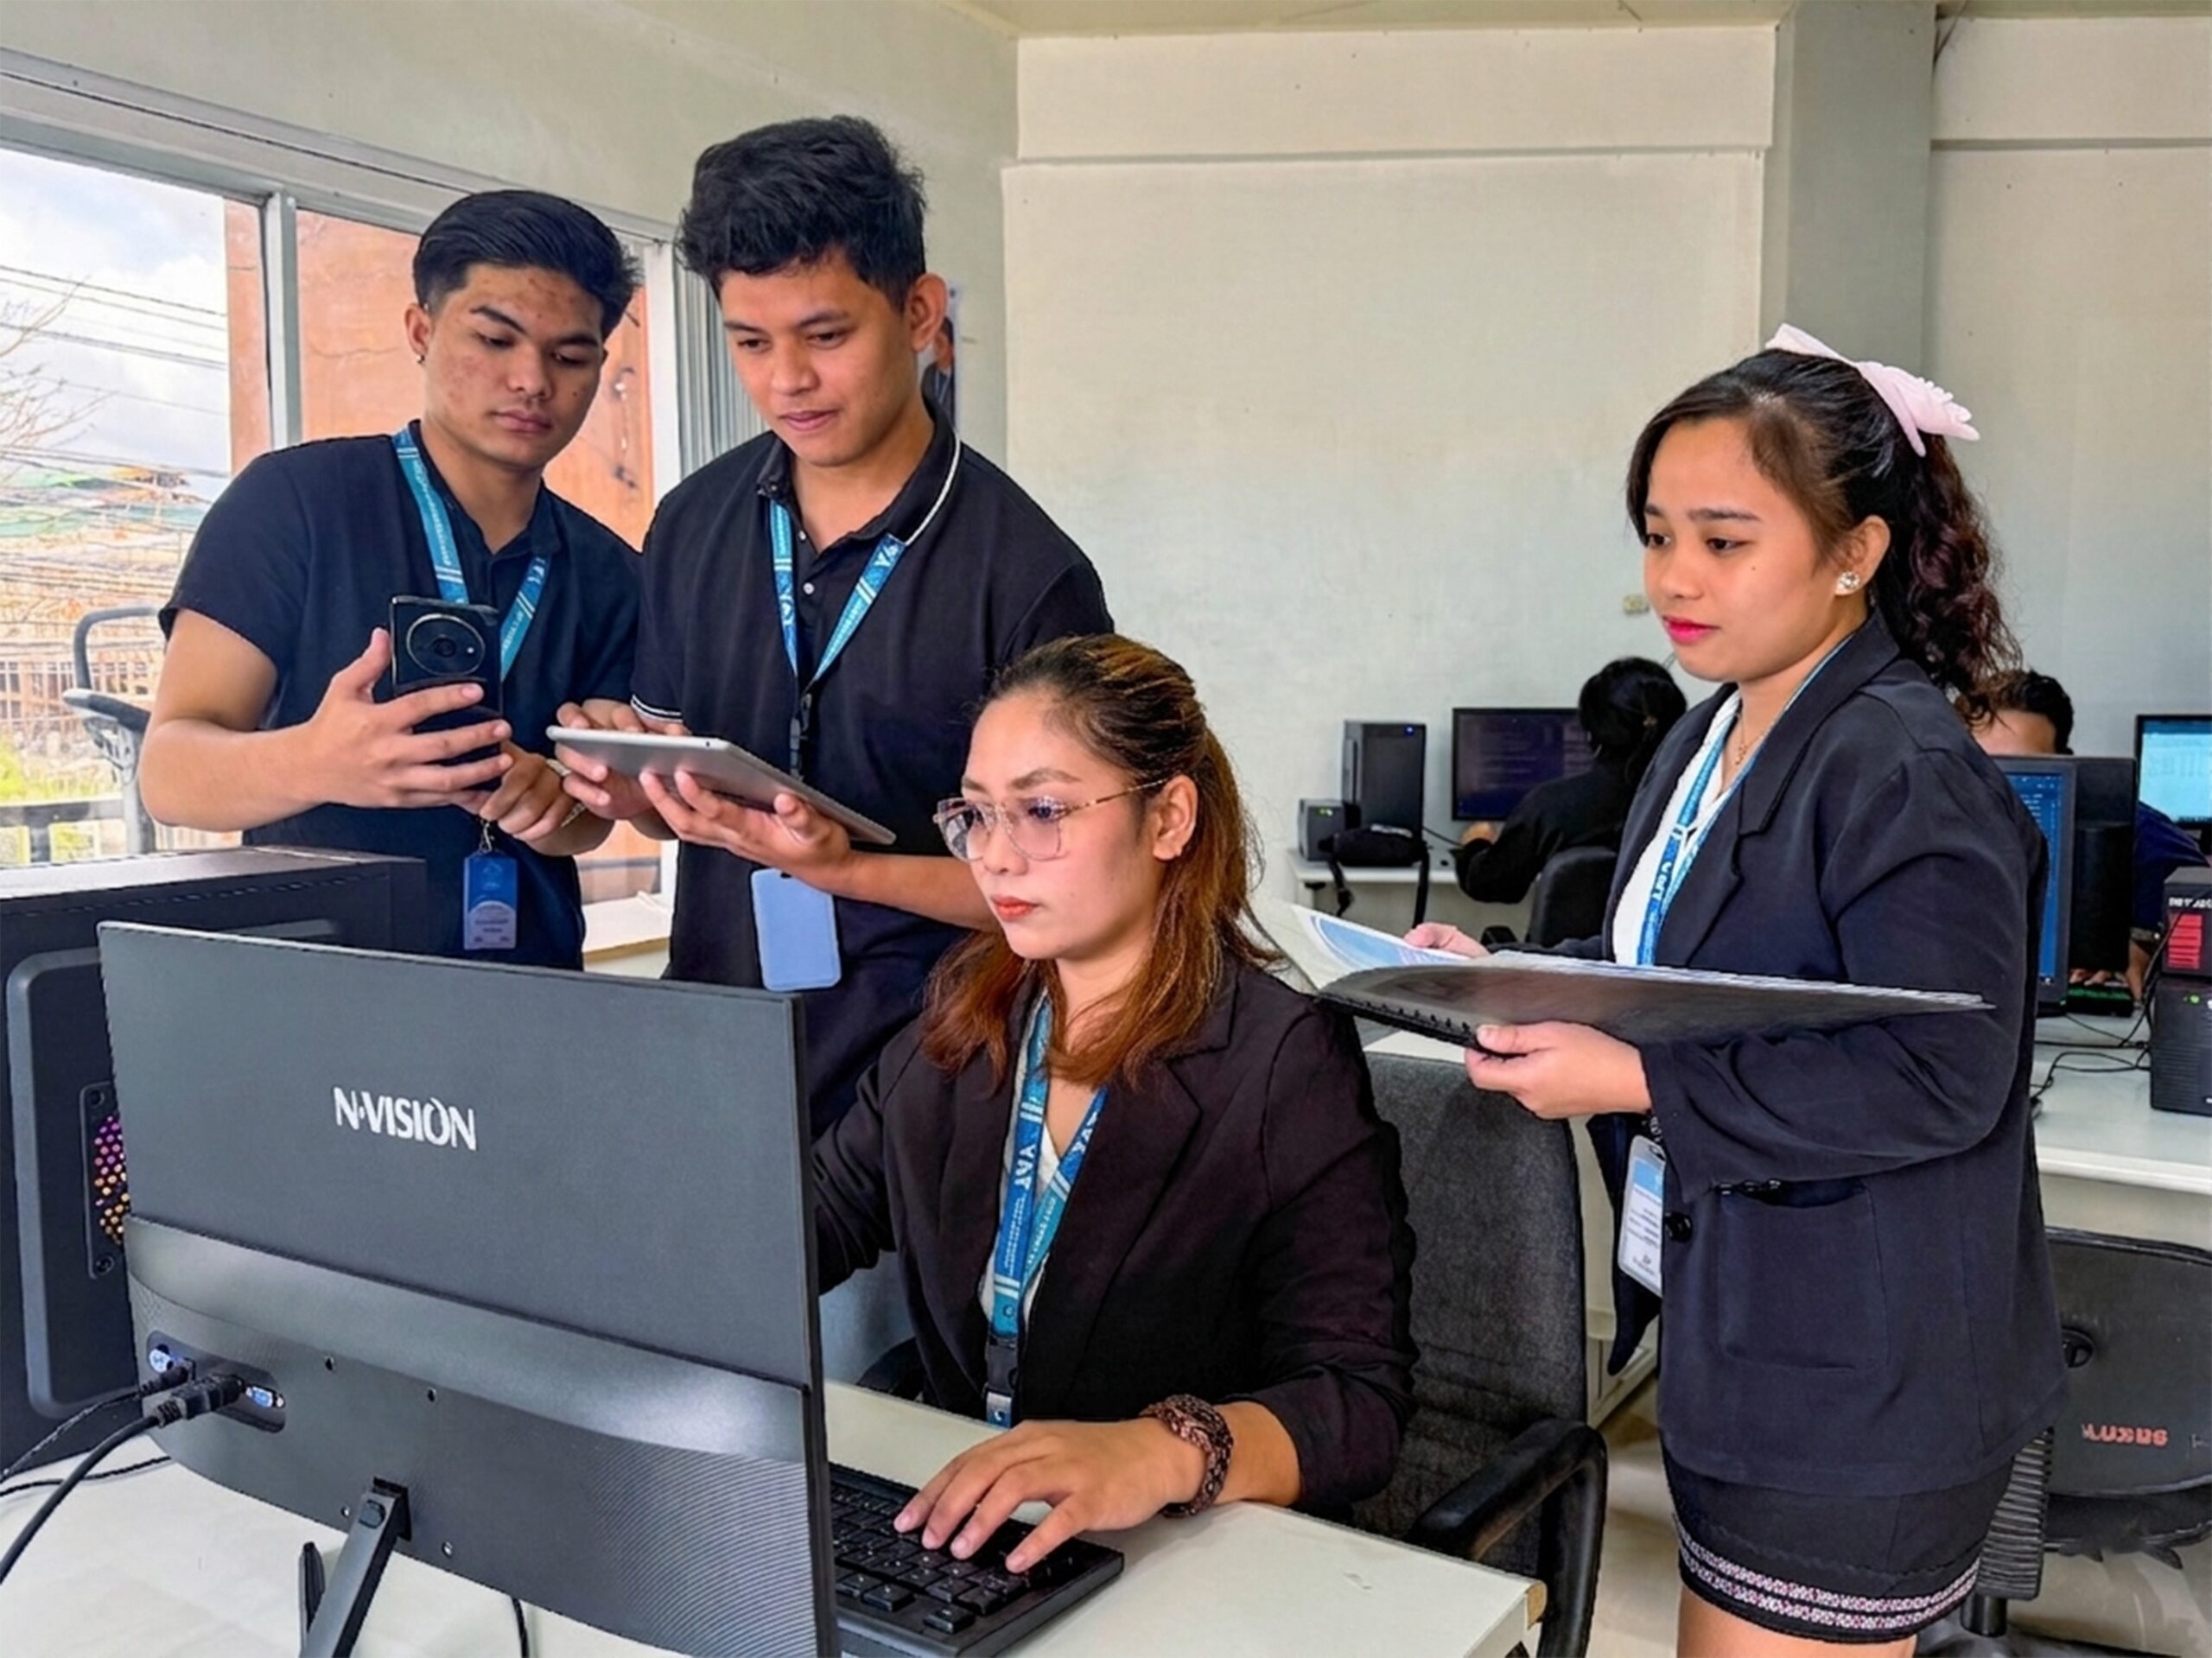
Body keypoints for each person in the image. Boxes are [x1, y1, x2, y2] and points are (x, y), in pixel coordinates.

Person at [1414, 327, 2062, 1655]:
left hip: (1862, 1381)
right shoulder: (1719, 726)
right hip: (1754, 1340)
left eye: (1723, 540)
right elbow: (1698, 972)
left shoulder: (1899, 765)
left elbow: (1943, 1069)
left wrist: (1638, 1075)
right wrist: (1527, 981)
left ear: (1855, 552)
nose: (1673, 580)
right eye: (1657, 536)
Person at [558, 116, 1110, 1136]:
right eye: (749, 342)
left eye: (825, 335)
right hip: (722, 1059)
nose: (786, 382)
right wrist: (635, 784)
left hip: (942, 1084)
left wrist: (843, 868)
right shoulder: (694, 522)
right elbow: (669, 808)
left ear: (919, 312)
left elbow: (1076, 894)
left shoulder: (1028, 575)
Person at [813, 634, 1415, 1568]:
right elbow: (808, 1215)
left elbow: (1356, 1401)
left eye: (1043, 809)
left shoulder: (1278, 1058)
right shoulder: (966, 1022)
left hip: (1184, 1551)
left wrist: (1162, 1447)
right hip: (969, 1533)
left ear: (1169, 817)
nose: (996, 858)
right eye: (975, 814)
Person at [143, 190, 642, 969]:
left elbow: (592, 820)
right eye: (494, 338)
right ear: (421, 330)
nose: (531, 380)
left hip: (529, 991)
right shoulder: (294, 502)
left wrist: (555, 804)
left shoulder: (612, 569)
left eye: (569, 356)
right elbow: (170, 771)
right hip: (312, 981)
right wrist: (315, 759)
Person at [1964, 667, 2206, 1001]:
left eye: (2025, 770)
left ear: (2065, 767)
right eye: (1986, 768)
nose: (2003, 790)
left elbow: (2198, 904)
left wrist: (2145, 946)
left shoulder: (2141, 837)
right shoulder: (1932, 827)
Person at [1453, 657, 1687, 902]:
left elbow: (1492, 885)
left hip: (1567, 942)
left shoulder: (1553, 806)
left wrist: (1476, 844)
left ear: (1591, 730)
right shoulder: (1702, 796)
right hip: (1671, 940)